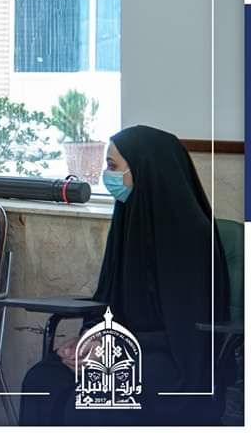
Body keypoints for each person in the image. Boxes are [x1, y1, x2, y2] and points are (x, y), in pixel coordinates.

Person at [18, 125, 230, 426]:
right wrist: (88, 340)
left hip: (174, 365)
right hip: (122, 348)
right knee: (42, 381)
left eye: (113, 166)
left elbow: (186, 334)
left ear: (145, 170)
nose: (107, 175)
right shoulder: (129, 221)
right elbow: (108, 301)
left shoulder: (190, 237)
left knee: (90, 403)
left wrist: (111, 349)